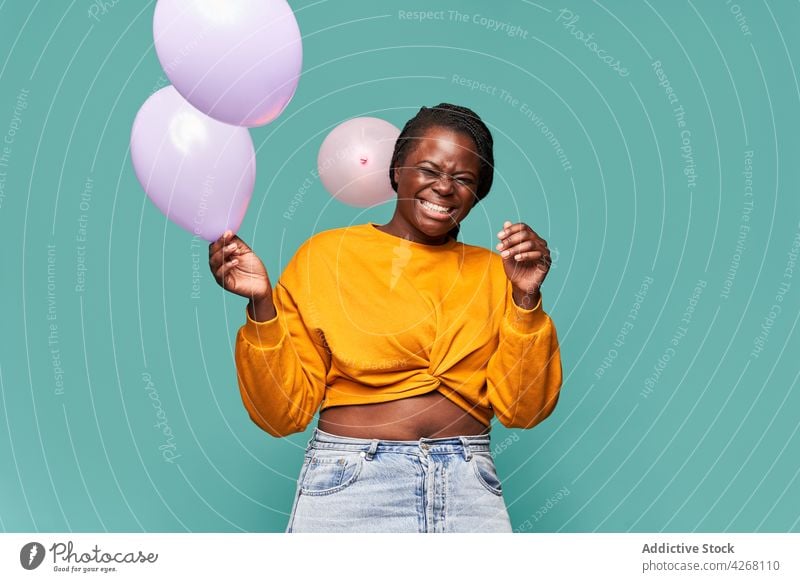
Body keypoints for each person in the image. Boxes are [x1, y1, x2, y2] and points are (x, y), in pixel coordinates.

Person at [208, 103, 563, 533]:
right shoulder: (327, 257)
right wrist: (262, 304)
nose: (445, 187)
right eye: (429, 170)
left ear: (477, 194)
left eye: (464, 179)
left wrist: (526, 299)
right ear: (397, 170)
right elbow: (280, 415)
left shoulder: (498, 272)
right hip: (353, 482)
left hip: (469, 486)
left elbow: (525, 411)